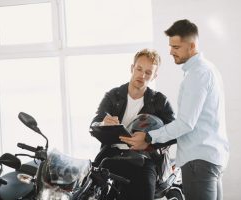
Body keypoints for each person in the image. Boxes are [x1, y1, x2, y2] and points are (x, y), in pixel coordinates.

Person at [120, 19, 230, 200]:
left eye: (176, 47)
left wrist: (148, 137)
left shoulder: (197, 74)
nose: (171, 52)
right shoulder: (209, 70)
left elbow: (185, 123)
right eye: (170, 46)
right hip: (211, 158)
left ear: (192, 46)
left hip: (198, 159)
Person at [90, 48, 175, 200]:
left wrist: (149, 139)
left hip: (144, 159)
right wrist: (102, 123)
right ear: (132, 68)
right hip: (111, 156)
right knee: (91, 191)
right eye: (139, 69)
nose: (142, 75)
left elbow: (175, 132)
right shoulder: (113, 96)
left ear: (154, 76)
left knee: (143, 189)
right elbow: (93, 124)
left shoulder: (160, 101)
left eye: (148, 72)